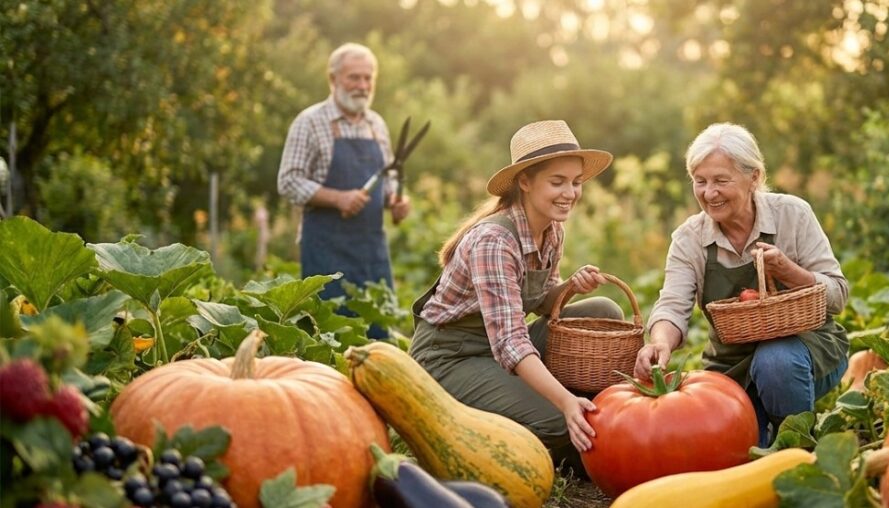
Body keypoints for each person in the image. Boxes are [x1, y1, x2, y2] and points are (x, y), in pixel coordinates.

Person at [409, 120, 622, 463]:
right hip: (451, 356)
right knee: (558, 423)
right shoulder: (494, 241)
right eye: (557, 182)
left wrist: (570, 288)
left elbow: (541, 302)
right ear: (525, 181)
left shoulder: (551, 230)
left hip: (499, 348)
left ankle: (578, 406)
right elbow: (510, 341)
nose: (569, 193)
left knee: (603, 313)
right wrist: (564, 401)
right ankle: (494, 420)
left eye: (575, 182)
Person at [634, 122, 850, 447]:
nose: (709, 193)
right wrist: (661, 342)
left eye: (721, 180)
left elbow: (837, 295)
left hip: (806, 352)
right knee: (733, 449)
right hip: (731, 364)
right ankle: (765, 439)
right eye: (700, 181)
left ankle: (800, 449)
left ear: (754, 178)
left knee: (775, 362)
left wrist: (789, 271)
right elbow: (672, 305)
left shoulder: (793, 214)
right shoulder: (689, 239)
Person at [276, 42, 410, 339]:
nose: (362, 85)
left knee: (378, 338)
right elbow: (288, 181)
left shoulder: (376, 125)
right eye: (354, 77)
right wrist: (338, 198)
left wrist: (395, 200)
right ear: (333, 79)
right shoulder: (310, 122)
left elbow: (387, 179)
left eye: (368, 78)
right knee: (328, 338)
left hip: (372, 253)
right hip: (326, 253)